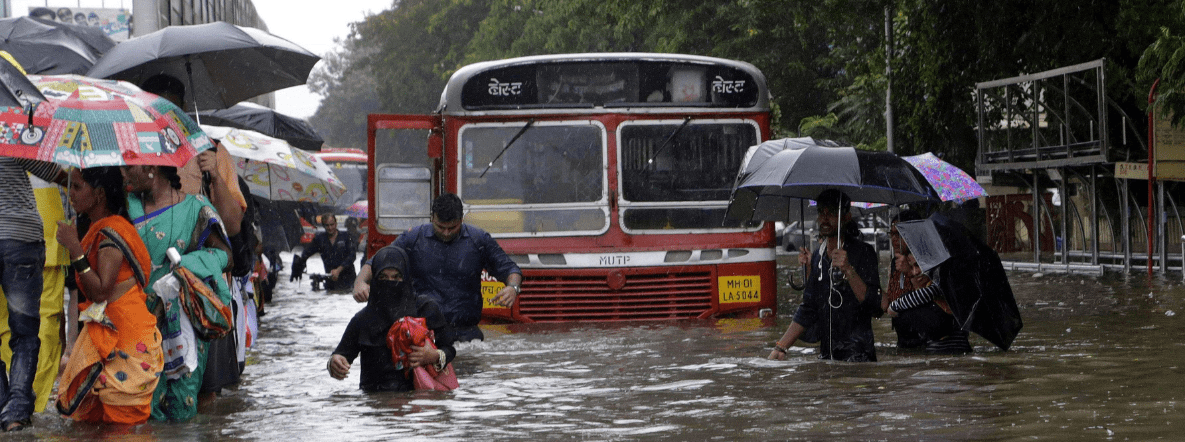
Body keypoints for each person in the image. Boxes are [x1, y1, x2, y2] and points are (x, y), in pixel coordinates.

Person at [123, 165, 233, 422]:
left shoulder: (196, 208)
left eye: (129, 168)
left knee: (181, 410)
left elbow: (227, 257)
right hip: (136, 325)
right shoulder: (125, 208)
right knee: (137, 409)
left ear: (151, 167)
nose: (123, 174)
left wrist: (188, 264)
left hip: (182, 323)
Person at [54, 167, 163, 425]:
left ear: (99, 194)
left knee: (121, 430)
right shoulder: (102, 229)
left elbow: (101, 291)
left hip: (126, 340)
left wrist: (74, 249)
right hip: (111, 336)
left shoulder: (111, 232)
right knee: (96, 427)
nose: (71, 194)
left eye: (78, 187)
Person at [353, 193, 522, 342]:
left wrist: (512, 288)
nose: (446, 233)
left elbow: (510, 269)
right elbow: (377, 261)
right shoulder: (413, 238)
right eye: (441, 227)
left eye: (452, 228)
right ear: (432, 218)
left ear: (461, 219)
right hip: (422, 331)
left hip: (466, 332)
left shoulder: (478, 240)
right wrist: (360, 282)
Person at [769, 190, 881, 362]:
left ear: (846, 217)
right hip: (827, 356)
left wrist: (848, 270)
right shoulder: (818, 257)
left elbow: (875, 307)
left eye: (832, 213)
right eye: (822, 212)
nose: (825, 218)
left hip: (859, 358)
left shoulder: (864, 253)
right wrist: (781, 347)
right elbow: (808, 308)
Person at [328, 246, 456, 391]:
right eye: (383, 277)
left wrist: (433, 356)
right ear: (375, 280)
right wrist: (335, 364)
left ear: (406, 278)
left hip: (418, 399)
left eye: (396, 277)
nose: (390, 283)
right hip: (375, 398)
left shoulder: (426, 309)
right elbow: (340, 356)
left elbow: (449, 349)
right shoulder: (363, 319)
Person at [0, 158, 64, 431]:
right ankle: (15, 412)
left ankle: (3, 404)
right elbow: (52, 172)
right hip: (21, 239)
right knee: (24, 334)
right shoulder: (12, 138)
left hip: (19, 240)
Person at [885, 244, 972, 354]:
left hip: (952, 351)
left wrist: (894, 306)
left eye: (919, 265)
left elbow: (928, 293)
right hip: (936, 353)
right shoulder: (922, 293)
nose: (915, 272)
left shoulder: (944, 280)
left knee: (903, 310)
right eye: (911, 268)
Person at [883, 210, 925, 348]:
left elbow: (928, 299)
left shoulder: (925, 262)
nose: (894, 239)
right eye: (892, 234)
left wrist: (910, 272)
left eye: (899, 233)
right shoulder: (894, 264)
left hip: (925, 338)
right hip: (903, 337)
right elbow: (890, 299)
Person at [292, 213, 356, 291]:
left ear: (336, 224)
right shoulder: (320, 239)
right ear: (323, 226)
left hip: (348, 281)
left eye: (332, 225)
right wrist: (299, 264)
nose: (330, 228)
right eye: (327, 225)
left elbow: (352, 256)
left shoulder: (346, 236)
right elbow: (307, 252)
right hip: (330, 281)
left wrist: (338, 270)